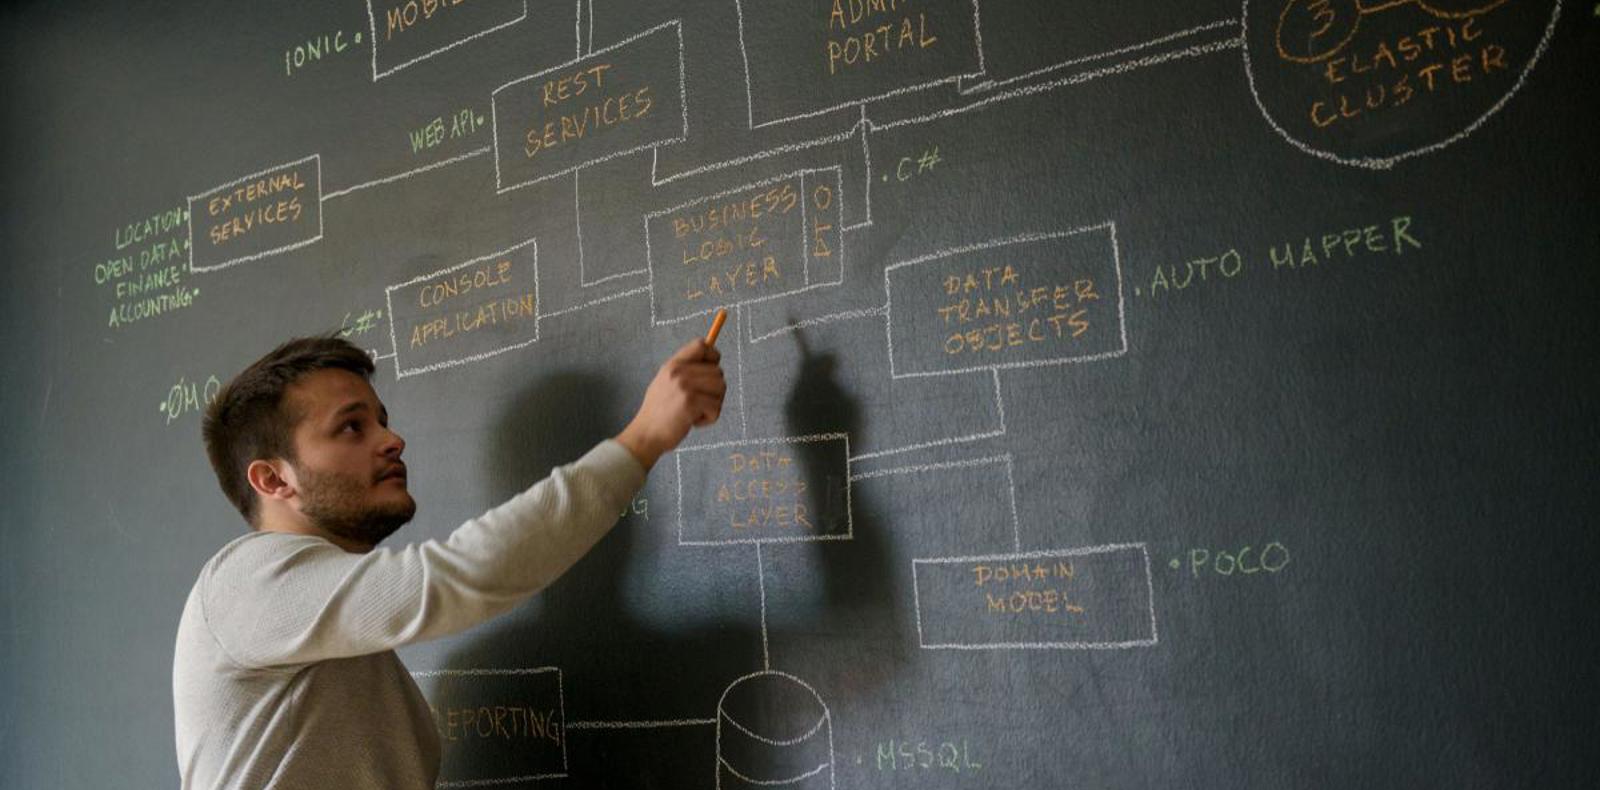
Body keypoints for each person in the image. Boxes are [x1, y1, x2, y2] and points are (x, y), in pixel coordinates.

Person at [173, 335, 725, 788]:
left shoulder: (326, 628)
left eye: (382, 420)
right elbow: (460, 574)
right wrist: (647, 434)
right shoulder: (244, 580)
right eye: (351, 426)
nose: (392, 439)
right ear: (273, 479)